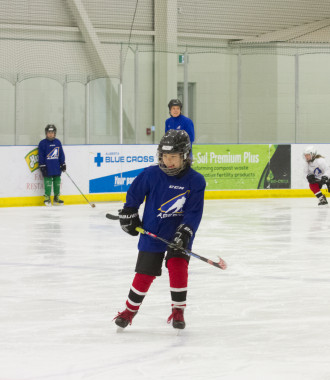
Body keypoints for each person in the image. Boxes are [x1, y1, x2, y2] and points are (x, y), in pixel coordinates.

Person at [114, 130, 205, 330]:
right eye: (164, 156)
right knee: (144, 272)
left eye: (173, 157)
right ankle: (129, 311)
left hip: (179, 232)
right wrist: (129, 212)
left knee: (178, 266)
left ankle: (178, 311)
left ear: (185, 156)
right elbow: (134, 195)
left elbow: (194, 212)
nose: (168, 161)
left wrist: (185, 231)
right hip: (152, 230)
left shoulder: (195, 180)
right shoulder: (151, 174)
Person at [38, 124, 66, 206]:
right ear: (46, 133)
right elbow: (41, 155)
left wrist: (63, 163)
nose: (50, 134)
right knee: (48, 182)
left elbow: (61, 154)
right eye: (49, 132)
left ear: (55, 133)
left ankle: (56, 197)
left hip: (56, 166)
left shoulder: (58, 142)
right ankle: (47, 197)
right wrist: (42, 166)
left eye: (52, 132)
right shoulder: (42, 143)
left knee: (57, 182)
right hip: (47, 167)